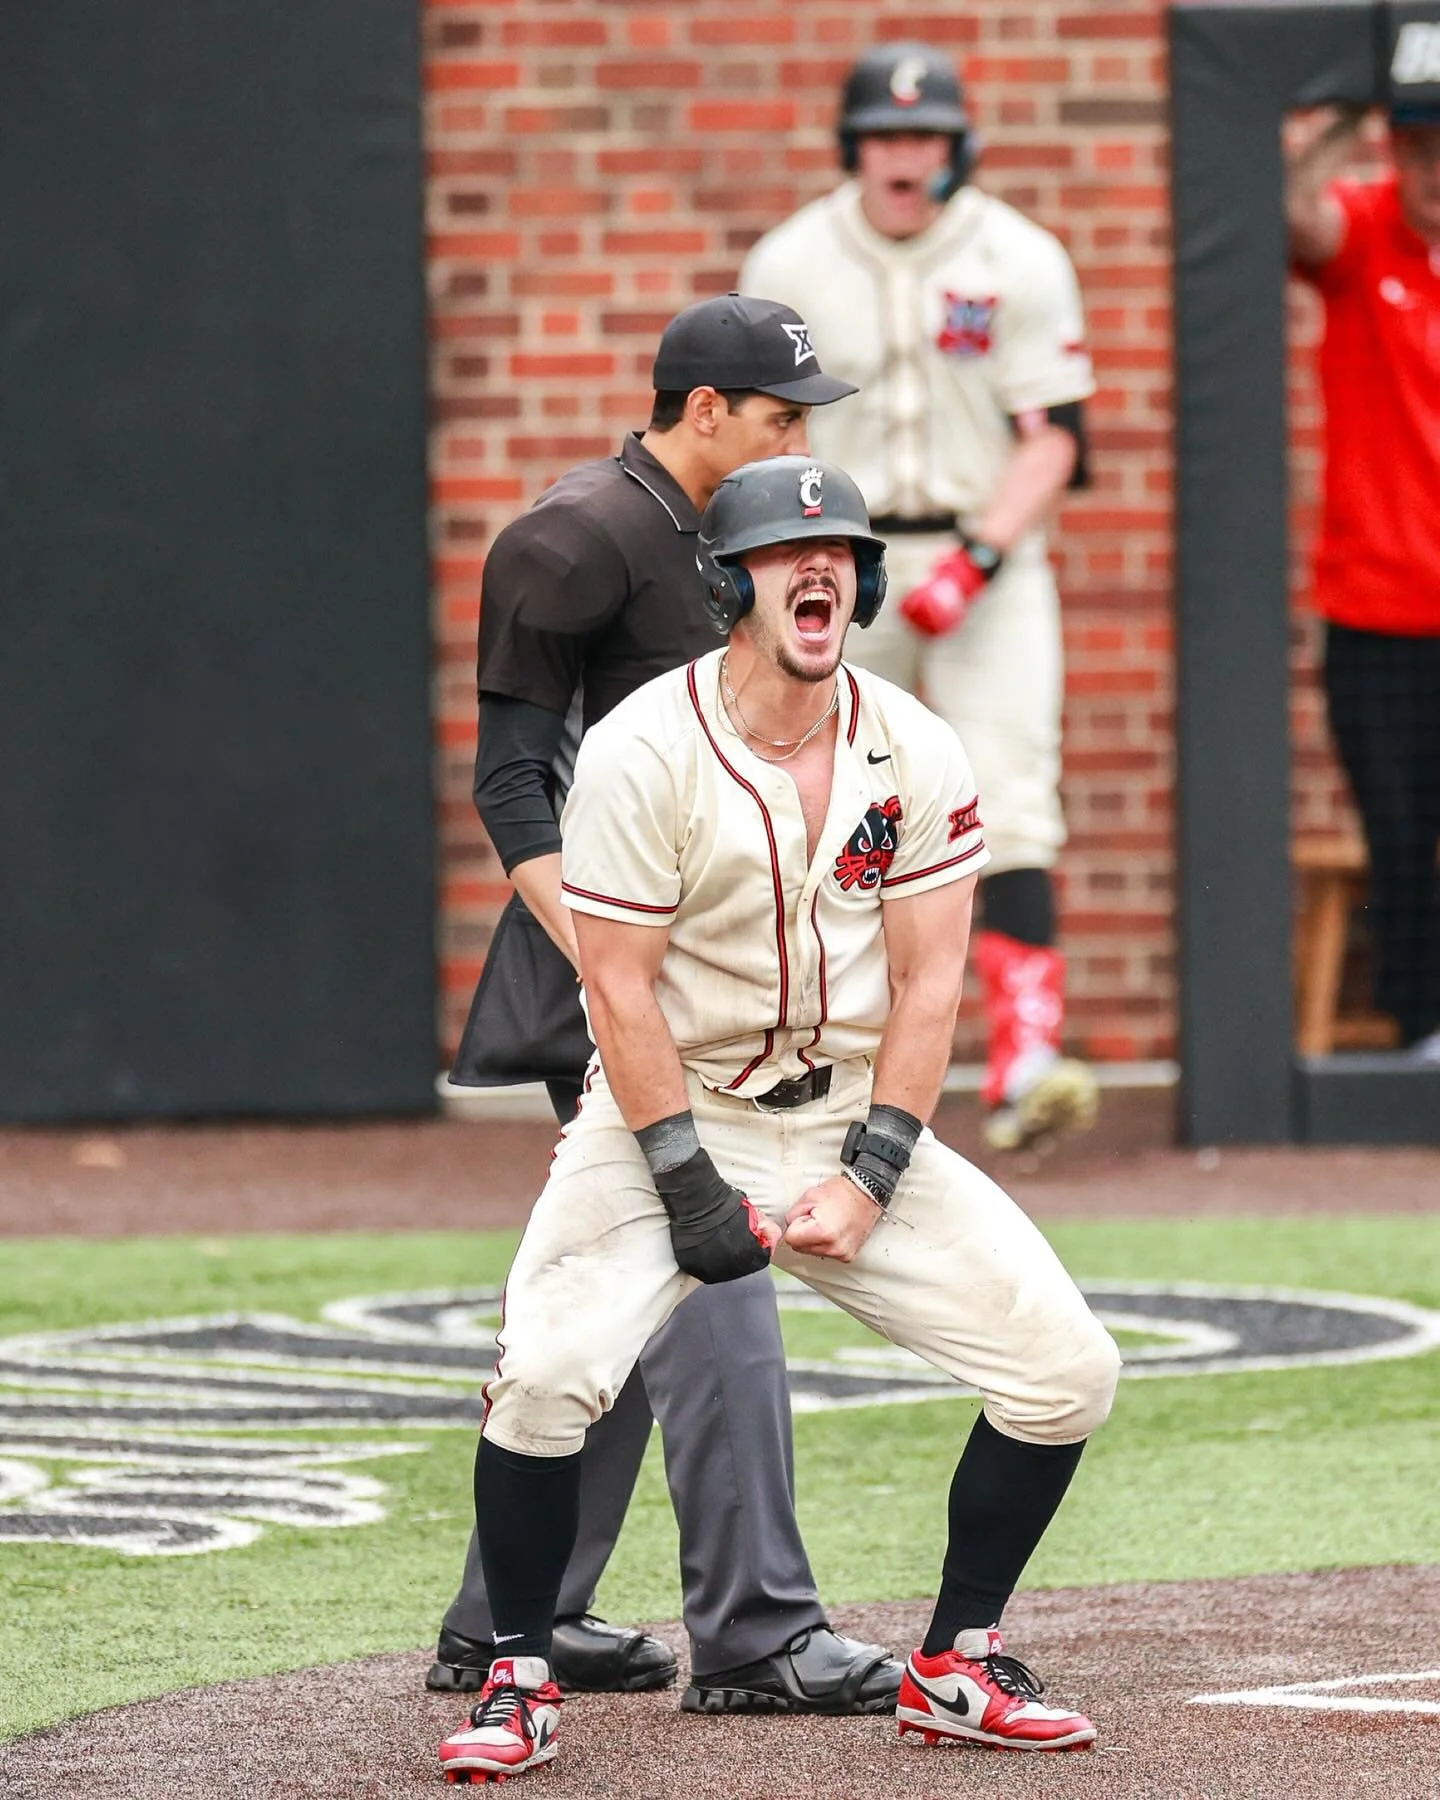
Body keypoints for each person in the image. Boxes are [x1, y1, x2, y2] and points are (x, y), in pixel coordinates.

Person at [436, 455, 1120, 1783]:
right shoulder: (644, 747)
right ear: (723, 584)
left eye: (840, 551)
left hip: (855, 1116)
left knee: (1065, 1373)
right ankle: (518, 1673)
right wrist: (689, 1188)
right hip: (666, 1118)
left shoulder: (914, 745)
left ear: (860, 583)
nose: (817, 566)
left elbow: (930, 986)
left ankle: (955, 1660)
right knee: (540, 1379)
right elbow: (617, 989)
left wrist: (872, 1174)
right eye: (779, 551)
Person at [433, 296, 903, 1717]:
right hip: (617, 973)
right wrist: (606, 956)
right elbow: (511, 783)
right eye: (779, 415)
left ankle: (511, 1614)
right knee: (717, 1261)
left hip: (724, 979)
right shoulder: (573, 536)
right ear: (704, 410)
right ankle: (760, 1632)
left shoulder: (743, 540)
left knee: (621, 1293)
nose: (798, 438)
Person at [739, 41, 1099, 1153]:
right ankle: (811, 1057)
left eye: (927, 136)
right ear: (855, 145)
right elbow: (762, 424)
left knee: (1012, 791)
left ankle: (1026, 1060)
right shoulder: (793, 255)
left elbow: (1061, 439)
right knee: (816, 798)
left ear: (957, 146)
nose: (907, 155)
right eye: (888, 136)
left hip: (979, 553)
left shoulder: (1018, 256)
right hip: (832, 558)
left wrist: (979, 558)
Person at [1286, 104, 1440, 1060]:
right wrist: (1354, 97)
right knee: (1398, 834)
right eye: (1423, 149)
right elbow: (1278, 203)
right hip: (1377, 610)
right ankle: (1423, 1030)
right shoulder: (1364, 228)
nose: (1437, 172)